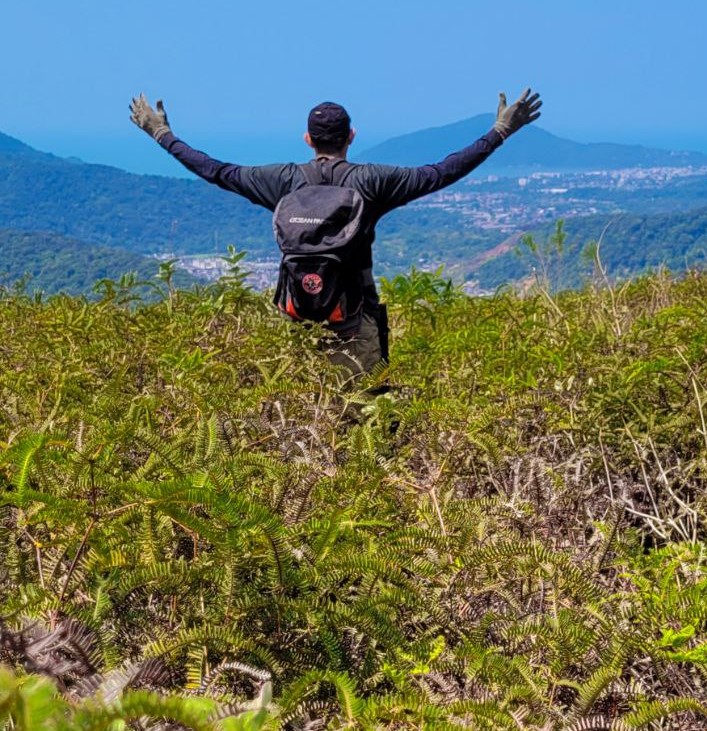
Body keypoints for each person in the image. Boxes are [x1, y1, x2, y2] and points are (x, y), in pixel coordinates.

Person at [130, 90, 542, 375]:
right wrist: (499, 132)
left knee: (303, 421)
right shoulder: (371, 181)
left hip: (296, 321)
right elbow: (440, 172)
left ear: (308, 139)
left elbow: (216, 170)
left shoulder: (283, 181)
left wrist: (161, 134)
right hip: (355, 322)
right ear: (351, 137)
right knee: (367, 427)